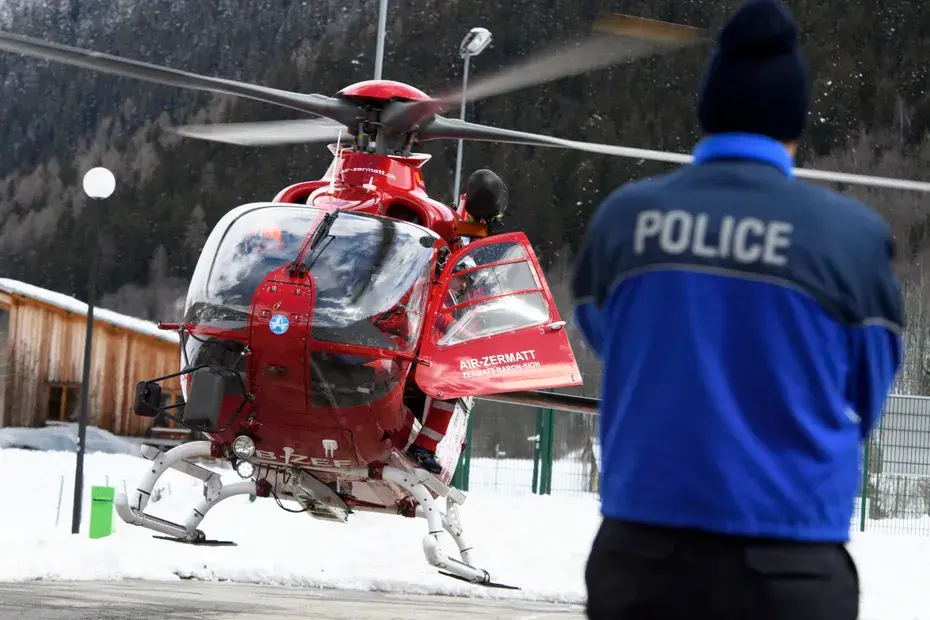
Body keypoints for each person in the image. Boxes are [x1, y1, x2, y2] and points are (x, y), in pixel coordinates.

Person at [569, 2, 903, 619]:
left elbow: (606, 333)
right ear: (795, 120)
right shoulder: (851, 239)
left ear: (709, 109)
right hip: (791, 559)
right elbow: (867, 394)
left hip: (645, 556)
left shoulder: (625, 220)